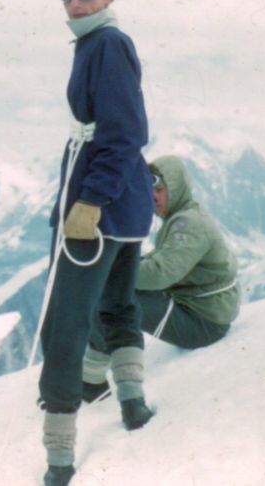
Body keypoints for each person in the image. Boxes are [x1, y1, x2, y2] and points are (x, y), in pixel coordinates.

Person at [37, 0, 155, 486]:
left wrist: (89, 200)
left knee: (66, 323)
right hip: (124, 207)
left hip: (100, 207)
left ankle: (59, 457)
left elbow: (124, 130)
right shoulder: (101, 43)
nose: (75, 2)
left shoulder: (105, 44)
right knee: (117, 304)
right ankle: (132, 404)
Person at [82, 155, 242, 399]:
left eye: (159, 189)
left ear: (175, 188)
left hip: (203, 325)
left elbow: (159, 274)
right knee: (116, 294)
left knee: (117, 298)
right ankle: (92, 377)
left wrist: (112, 270)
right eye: (150, 190)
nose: (153, 196)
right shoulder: (184, 216)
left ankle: (91, 380)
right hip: (202, 312)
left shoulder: (187, 224)